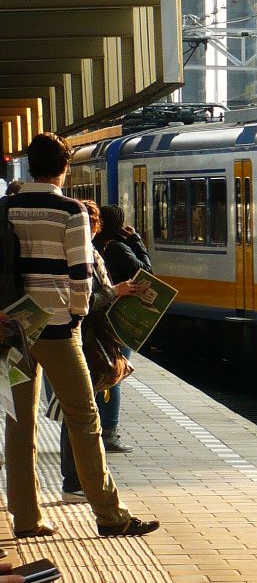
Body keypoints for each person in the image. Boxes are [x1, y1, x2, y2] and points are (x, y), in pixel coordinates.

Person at [4, 132, 159, 538]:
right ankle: (111, 515)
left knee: (19, 424)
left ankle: (26, 518)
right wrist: (77, 314)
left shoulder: (6, 208)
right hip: (56, 330)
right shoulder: (69, 210)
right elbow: (80, 272)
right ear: (64, 168)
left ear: (30, 166)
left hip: (13, 331)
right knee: (84, 419)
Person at [59, 201, 150, 500]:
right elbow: (86, 302)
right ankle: (75, 482)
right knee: (83, 412)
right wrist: (117, 291)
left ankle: (77, 481)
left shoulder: (85, 250)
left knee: (79, 409)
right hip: (88, 338)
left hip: (81, 336)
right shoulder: (87, 253)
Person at [91, 204, 151, 453]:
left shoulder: (94, 247)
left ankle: (96, 428)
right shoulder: (118, 247)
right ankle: (109, 433)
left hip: (95, 318)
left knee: (98, 372)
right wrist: (136, 240)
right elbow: (146, 271)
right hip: (117, 318)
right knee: (115, 373)